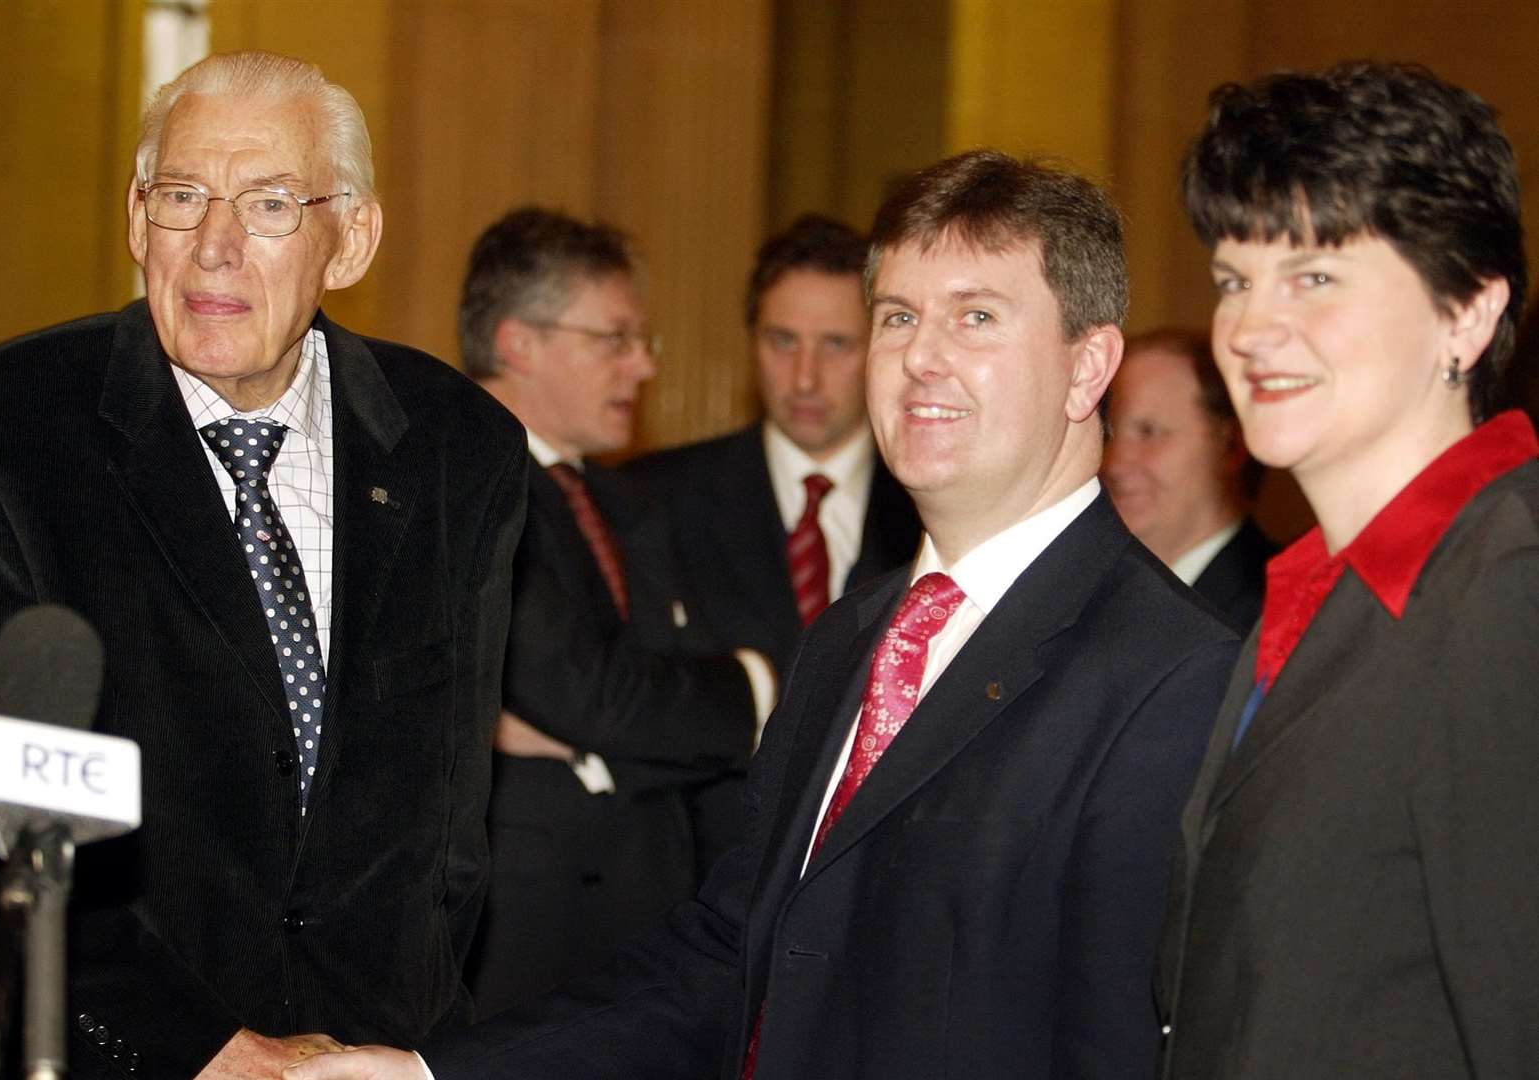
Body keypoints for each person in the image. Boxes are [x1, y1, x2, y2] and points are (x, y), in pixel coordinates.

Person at [290, 149, 1238, 1080]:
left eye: (977, 317)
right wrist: (426, 1075)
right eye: (899, 317)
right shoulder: (849, 640)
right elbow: (724, 959)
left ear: (1088, 366)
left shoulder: (1174, 679)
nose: (920, 358)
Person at [0, 51, 527, 1078]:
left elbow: (451, 822)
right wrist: (211, 1051)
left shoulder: (458, 447)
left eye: (269, 204)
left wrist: (396, 1042)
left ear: (350, 239)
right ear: (138, 222)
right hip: (74, 1046)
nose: (214, 247)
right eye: (182, 197)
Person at [1156, 61, 1539, 1077]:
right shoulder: (1318, 589)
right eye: (1235, 280)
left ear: (1466, 312)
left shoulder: (1509, 593)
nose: (1251, 328)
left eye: (1314, 276)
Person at [453, 207, 772, 1021]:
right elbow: (596, 692)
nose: (641, 368)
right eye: (615, 340)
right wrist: (744, 694)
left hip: (652, 943)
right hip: (521, 952)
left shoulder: (624, 501)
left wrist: (747, 688)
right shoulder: (461, 487)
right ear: (520, 342)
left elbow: (630, 700)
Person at [626, 214, 920, 875]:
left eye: (837, 344)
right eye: (782, 341)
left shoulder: (935, 512)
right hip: (697, 885)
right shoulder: (654, 500)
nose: (806, 377)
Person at [1102, 327, 1275, 629]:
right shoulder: (1089, 600)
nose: (1114, 463)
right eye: (1109, 434)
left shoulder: (1274, 610)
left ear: (1231, 444)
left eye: (1149, 432)